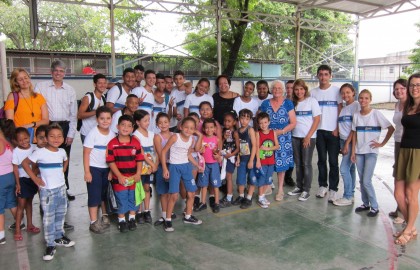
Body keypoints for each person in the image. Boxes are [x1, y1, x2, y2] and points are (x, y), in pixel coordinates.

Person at [22, 124, 75, 261]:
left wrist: (63, 170)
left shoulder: (62, 151)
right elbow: (24, 163)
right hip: (48, 192)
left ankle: (59, 237)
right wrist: (35, 178)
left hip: (61, 189)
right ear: (46, 138)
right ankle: (50, 244)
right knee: (48, 219)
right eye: (52, 136)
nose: (56, 139)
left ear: (63, 138)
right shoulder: (40, 152)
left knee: (61, 214)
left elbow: (65, 159)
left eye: (59, 136)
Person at [34, 60, 77, 201]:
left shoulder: (70, 90)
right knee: (45, 159)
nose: (58, 73)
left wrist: (71, 134)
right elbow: (36, 110)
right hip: (47, 126)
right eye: (56, 70)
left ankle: (63, 189)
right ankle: (44, 190)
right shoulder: (41, 87)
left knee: (63, 159)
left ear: (65, 73)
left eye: (61, 71)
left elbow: (73, 115)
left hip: (64, 127)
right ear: (51, 72)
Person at [351, 89, 394, 218]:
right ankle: (365, 204)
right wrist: (353, 150)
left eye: (366, 98)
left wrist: (382, 144)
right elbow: (354, 134)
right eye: (361, 98)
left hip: (371, 152)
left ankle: (375, 206)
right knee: (362, 178)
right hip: (359, 152)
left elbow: (391, 128)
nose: (363, 100)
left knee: (366, 180)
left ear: (370, 100)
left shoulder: (376, 114)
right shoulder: (356, 115)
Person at [161, 117, 203, 232]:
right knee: (174, 195)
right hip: (174, 167)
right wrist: (165, 168)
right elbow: (164, 151)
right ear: (180, 127)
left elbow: (188, 154)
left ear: (194, 130)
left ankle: (188, 216)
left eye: (191, 128)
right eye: (186, 127)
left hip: (186, 167)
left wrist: (197, 165)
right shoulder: (175, 137)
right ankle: (168, 219)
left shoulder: (191, 140)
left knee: (191, 193)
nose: (188, 130)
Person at [310, 65, 342, 202]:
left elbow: (341, 109)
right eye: (321, 74)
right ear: (317, 75)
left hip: (333, 132)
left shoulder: (337, 91)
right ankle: (322, 186)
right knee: (321, 160)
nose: (323, 77)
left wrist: (337, 128)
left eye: (326, 74)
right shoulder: (313, 93)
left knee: (333, 162)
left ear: (330, 76)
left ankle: (333, 189)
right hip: (319, 132)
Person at [394, 73, 420, 245]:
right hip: (404, 150)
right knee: (398, 193)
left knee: (411, 195)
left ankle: (409, 229)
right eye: (412, 85)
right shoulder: (408, 105)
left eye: (418, 85)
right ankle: (411, 226)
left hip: (418, 152)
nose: (414, 88)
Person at [106, 115, 143, 233]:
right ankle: (121, 221)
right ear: (117, 127)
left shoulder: (136, 143)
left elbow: (140, 159)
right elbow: (110, 161)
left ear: (132, 129)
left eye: (129, 126)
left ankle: (132, 219)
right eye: (123, 125)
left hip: (134, 178)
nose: (126, 128)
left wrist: (138, 174)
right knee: (122, 199)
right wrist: (119, 176)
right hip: (119, 179)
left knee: (133, 199)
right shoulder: (112, 143)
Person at [260, 80, 296, 201]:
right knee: (267, 162)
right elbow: (259, 119)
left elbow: (293, 123)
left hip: (283, 138)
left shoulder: (288, 103)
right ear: (271, 90)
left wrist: (280, 132)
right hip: (267, 138)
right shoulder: (265, 103)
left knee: (282, 163)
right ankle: (268, 184)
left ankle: (280, 189)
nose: (277, 90)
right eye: (275, 88)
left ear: (283, 90)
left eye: (280, 88)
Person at [286, 79, 321, 202]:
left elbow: (317, 120)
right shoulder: (292, 103)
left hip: (308, 138)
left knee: (306, 164)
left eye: (301, 89)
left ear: (305, 90)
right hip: (295, 136)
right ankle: (299, 187)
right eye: (296, 89)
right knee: (298, 164)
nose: (299, 91)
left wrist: (308, 137)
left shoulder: (311, 101)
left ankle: (306, 190)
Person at [83, 106, 115, 234]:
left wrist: (112, 171)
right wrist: (87, 171)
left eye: (108, 118)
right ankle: (93, 222)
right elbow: (86, 153)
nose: (105, 121)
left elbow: (112, 155)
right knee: (94, 195)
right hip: (94, 169)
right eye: (102, 118)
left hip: (106, 169)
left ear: (112, 119)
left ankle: (103, 216)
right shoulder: (92, 134)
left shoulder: (112, 134)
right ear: (97, 119)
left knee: (103, 194)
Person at [12, 128, 40, 241]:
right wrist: (17, 184)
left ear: (30, 136)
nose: (24, 141)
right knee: (21, 206)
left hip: (32, 180)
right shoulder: (16, 151)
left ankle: (30, 225)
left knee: (29, 203)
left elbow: (37, 163)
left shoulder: (34, 148)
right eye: (20, 140)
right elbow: (15, 169)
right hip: (22, 180)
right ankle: (18, 230)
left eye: (26, 138)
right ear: (15, 141)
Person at [6, 68, 49, 141]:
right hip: (20, 139)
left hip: (38, 139)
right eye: (20, 79)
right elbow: (10, 122)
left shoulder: (39, 97)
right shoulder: (12, 96)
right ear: (16, 82)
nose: (24, 81)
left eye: (26, 77)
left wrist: (31, 125)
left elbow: (46, 120)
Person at [333, 84, 359, 206]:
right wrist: (341, 143)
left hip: (351, 142)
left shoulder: (356, 106)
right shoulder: (344, 108)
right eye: (343, 93)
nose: (345, 95)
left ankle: (347, 196)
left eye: (348, 92)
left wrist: (347, 144)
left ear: (353, 92)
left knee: (343, 169)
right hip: (343, 141)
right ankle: (351, 193)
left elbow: (355, 128)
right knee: (350, 168)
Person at [133, 110, 158, 224]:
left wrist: (155, 164)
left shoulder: (152, 134)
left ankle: (147, 210)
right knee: (139, 189)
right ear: (138, 122)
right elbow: (141, 154)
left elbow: (157, 151)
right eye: (145, 121)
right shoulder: (135, 136)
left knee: (147, 188)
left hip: (149, 168)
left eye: (149, 120)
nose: (148, 123)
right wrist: (152, 164)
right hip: (140, 167)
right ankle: (139, 211)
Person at [388, 79, 408, 223]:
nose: (399, 91)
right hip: (398, 142)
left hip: (409, 144)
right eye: (396, 89)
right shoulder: (397, 105)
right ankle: (399, 206)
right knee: (398, 174)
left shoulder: (412, 105)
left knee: (405, 176)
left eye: (402, 88)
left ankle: (402, 213)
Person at [196, 118, 222, 213]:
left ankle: (217, 203)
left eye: (211, 127)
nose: (209, 130)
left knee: (215, 184)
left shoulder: (217, 139)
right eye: (207, 128)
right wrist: (201, 150)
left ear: (215, 129)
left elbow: (219, 152)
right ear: (203, 129)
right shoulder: (202, 138)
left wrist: (218, 155)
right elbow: (198, 149)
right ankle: (203, 202)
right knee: (204, 184)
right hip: (204, 165)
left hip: (214, 164)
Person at [232, 109, 257, 209]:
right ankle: (241, 196)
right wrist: (238, 158)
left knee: (251, 178)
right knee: (240, 179)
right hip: (242, 159)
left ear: (250, 120)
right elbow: (238, 147)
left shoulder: (250, 130)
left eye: (247, 119)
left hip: (251, 159)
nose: (244, 121)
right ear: (239, 119)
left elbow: (254, 146)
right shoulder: (237, 132)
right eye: (242, 118)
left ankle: (249, 198)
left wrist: (251, 160)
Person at [153, 113, 173, 226]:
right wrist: (165, 168)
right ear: (157, 125)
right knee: (163, 192)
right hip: (163, 166)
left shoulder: (174, 135)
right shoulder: (157, 137)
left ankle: (169, 213)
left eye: (165, 122)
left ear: (169, 123)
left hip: (173, 166)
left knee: (171, 192)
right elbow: (161, 154)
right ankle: (165, 215)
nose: (163, 124)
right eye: (160, 123)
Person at [255, 112, 279, 208]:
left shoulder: (273, 132)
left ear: (269, 122)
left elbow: (277, 146)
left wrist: (267, 148)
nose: (263, 125)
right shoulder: (258, 133)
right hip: (262, 162)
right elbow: (257, 148)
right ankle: (260, 198)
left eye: (265, 122)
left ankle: (262, 196)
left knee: (268, 180)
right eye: (261, 123)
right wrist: (258, 161)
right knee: (261, 180)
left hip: (271, 162)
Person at [0, 119, 17, 245]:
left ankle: (1, 235)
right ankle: (19, 223)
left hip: (1, 178)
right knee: (11, 202)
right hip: (11, 176)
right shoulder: (10, 143)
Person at [78, 73, 107, 143]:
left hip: (98, 133)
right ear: (95, 84)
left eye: (104, 83)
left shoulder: (103, 98)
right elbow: (79, 115)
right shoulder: (88, 97)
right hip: (87, 132)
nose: (102, 85)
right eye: (100, 83)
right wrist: (96, 111)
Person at [219, 111, 240, 207]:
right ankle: (228, 195)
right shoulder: (224, 131)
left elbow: (238, 148)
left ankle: (229, 197)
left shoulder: (235, 133)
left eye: (229, 121)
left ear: (234, 122)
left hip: (231, 158)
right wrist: (224, 137)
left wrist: (231, 155)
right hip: (224, 157)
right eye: (225, 121)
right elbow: (221, 144)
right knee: (226, 178)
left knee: (229, 177)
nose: (226, 123)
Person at [284, 79, 296, 187]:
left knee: (293, 156)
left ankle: (288, 176)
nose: (289, 89)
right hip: (284, 132)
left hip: (296, 132)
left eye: (291, 87)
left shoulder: (298, 101)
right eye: (287, 87)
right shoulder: (282, 100)